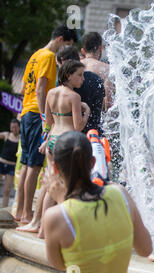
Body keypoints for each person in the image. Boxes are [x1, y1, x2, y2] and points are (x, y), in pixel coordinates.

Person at [43, 131, 152, 273]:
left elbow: (59, 264)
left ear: (56, 168)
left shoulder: (56, 216)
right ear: (93, 162)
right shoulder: (121, 195)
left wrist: (62, 201)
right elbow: (146, 249)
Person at [17, 60, 90, 235]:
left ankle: (38, 223)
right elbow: (78, 126)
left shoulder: (51, 93)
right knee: (61, 183)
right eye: (79, 75)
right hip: (66, 142)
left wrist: (45, 140)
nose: (83, 79)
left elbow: (48, 122)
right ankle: (46, 228)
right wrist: (86, 111)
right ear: (68, 75)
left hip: (52, 141)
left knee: (49, 182)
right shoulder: (74, 97)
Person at [15, 25, 77, 225]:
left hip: (26, 111)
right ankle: (26, 213)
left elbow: (25, 87)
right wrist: (45, 119)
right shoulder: (49, 57)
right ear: (60, 39)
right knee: (33, 165)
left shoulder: (34, 55)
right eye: (66, 45)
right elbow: (41, 88)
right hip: (35, 114)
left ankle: (19, 210)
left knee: (26, 164)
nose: (64, 51)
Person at [56, 46, 105, 135]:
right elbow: (101, 107)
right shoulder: (96, 79)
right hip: (95, 134)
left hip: (72, 137)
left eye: (60, 66)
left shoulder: (62, 87)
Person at [80, 32, 113, 110]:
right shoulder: (106, 69)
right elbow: (109, 102)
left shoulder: (73, 66)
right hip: (94, 116)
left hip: (73, 115)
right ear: (100, 48)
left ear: (83, 51)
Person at [0, 119, 20, 208]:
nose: (13, 129)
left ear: (19, 127)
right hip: (1, 163)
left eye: (15, 127)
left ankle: (3, 209)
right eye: (12, 127)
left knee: (7, 190)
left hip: (12, 166)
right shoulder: (6, 135)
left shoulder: (21, 138)